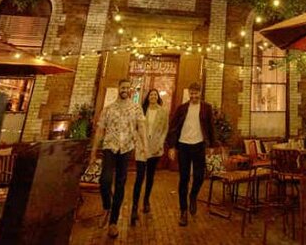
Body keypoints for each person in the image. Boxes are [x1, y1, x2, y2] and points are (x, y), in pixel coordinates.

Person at [89, 79, 147, 238]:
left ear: (130, 90)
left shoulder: (136, 108)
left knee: (120, 184)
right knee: (105, 180)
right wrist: (93, 151)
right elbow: (100, 130)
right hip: (110, 146)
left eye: (128, 88)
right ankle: (107, 206)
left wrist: (144, 146)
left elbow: (141, 127)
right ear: (118, 88)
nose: (125, 90)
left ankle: (113, 222)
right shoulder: (108, 109)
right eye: (123, 87)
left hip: (126, 148)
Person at [166, 81, 216, 227]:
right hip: (183, 146)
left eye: (196, 93)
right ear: (189, 93)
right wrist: (171, 147)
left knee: (200, 176)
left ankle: (193, 196)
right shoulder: (182, 108)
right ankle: (183, 211)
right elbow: (173, 127)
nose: (194, 96)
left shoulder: (206, 108)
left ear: (200, 93)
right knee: (184, 178)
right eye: (192, 93)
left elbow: (210, 127)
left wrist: (212, 145)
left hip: (199, 145)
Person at [130, 88, 169, 224]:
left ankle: (146, 200)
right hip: (141, 147)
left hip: (155, 148)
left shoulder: (163, 112)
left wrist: (161, 143)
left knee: (150, 175)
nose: (153, 96)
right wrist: (136, 140)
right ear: (148, 97)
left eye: (155, 95)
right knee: (140, 176)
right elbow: (134, 127)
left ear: (158, 97)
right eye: (151, 95)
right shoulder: (140, 110)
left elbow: (165, 129)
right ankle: (134, 207)